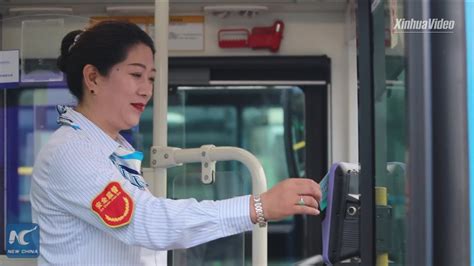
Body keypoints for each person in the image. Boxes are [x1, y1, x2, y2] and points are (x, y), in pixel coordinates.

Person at [30, 20, 322, 265]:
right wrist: (259, 207)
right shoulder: (70, 152)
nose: (146, 90)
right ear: (93, 77)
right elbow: (147, 223)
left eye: (151, 78)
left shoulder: (115, 151)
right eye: (136, 75)